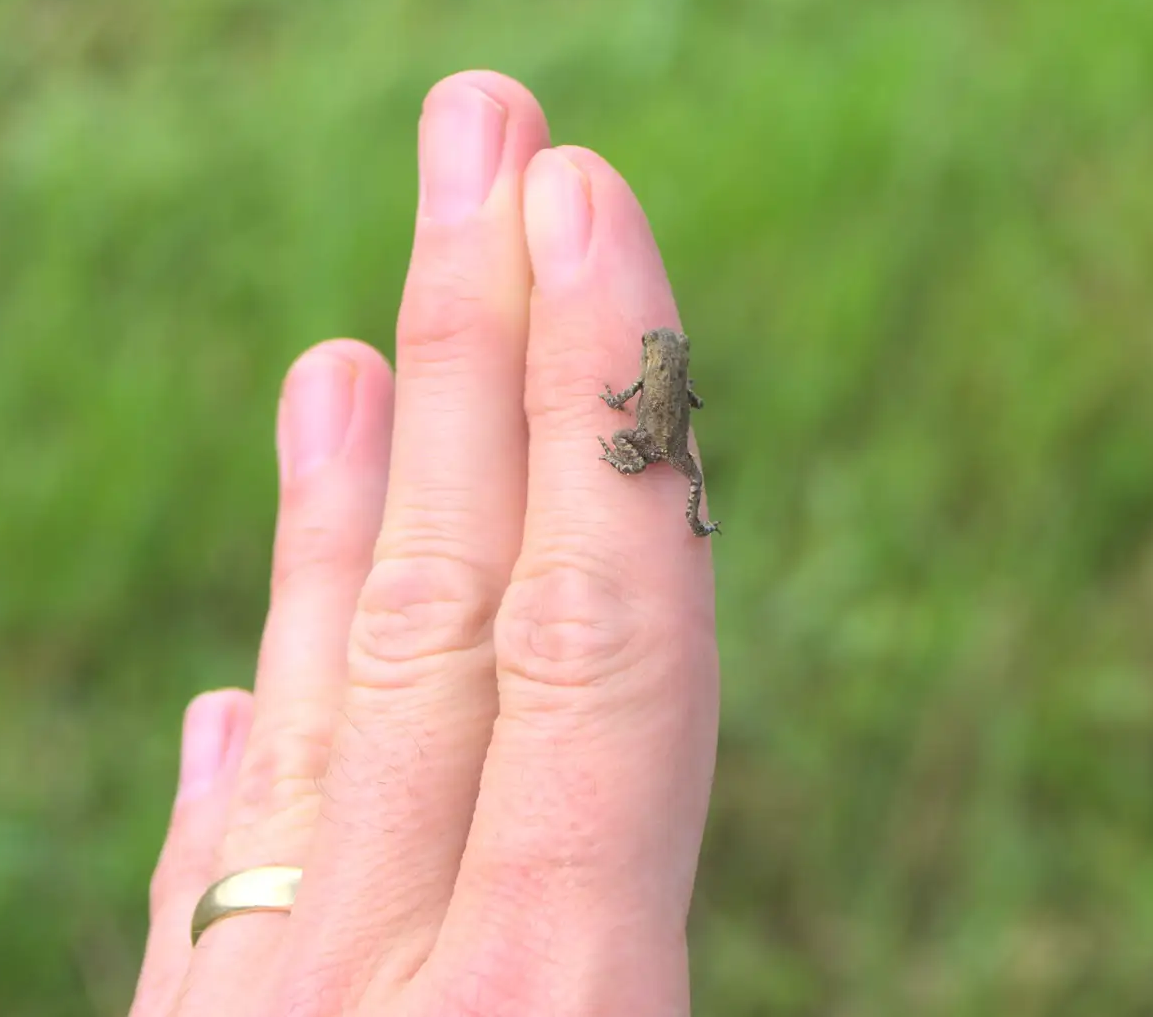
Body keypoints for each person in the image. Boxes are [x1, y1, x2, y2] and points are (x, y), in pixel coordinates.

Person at [127, 70, 720, 1016]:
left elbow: (651, 402)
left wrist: (625, 419)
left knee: (561, 622)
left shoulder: (661, 381)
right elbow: (662, 405)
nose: (663, 365)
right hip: (653, 452)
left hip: (643, 448)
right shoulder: (666, 380)